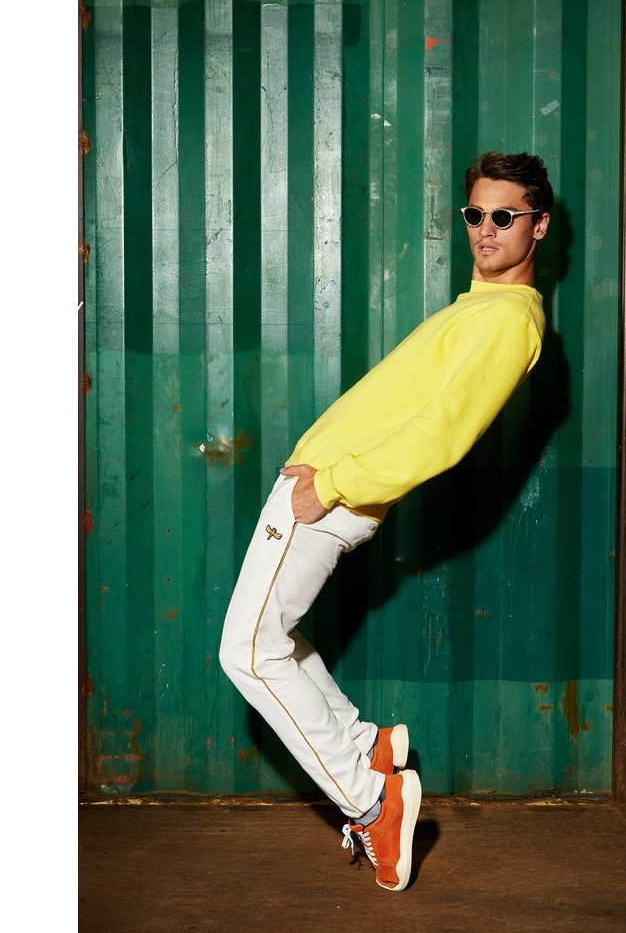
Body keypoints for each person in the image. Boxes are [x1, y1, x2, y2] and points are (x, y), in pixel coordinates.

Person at [219, 151, 552, 892]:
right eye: (475, 214)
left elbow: (443, 435)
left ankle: (373, 801)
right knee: (273, 639)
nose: (486, 229)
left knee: (248, 651)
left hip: (330, 496)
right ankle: (365, 747)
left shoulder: (509, 322)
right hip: (323, 488)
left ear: (539, 226)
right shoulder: (480, 308)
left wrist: (332, 484)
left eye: (505, 216)